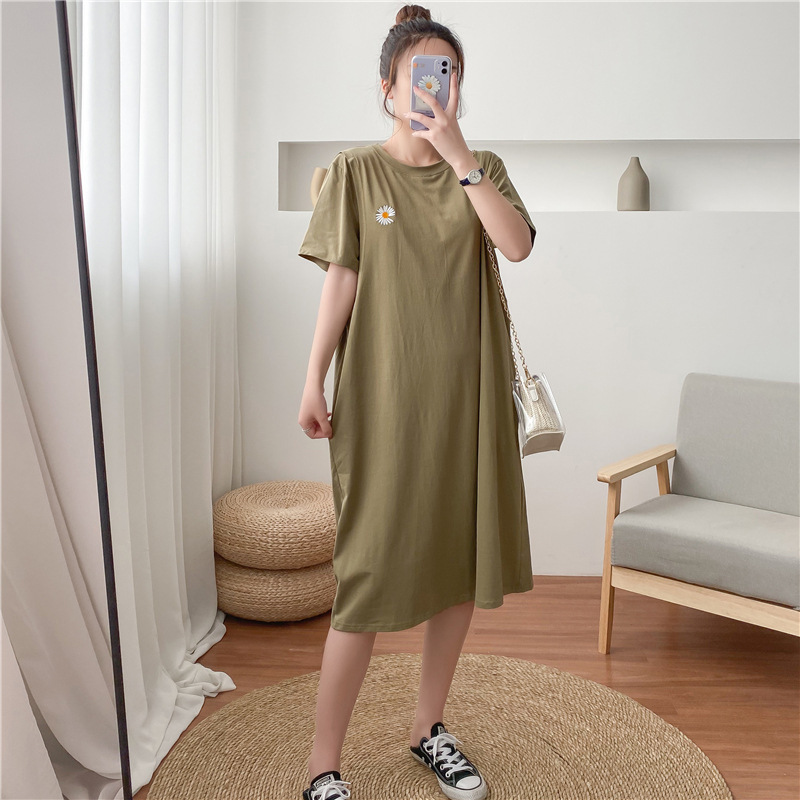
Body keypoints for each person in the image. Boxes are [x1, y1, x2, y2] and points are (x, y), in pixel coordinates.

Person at [296, 5, 536, 799]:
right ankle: (321, 763)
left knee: (458, 570)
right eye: (421, 74)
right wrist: (312, 376)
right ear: (387, 87)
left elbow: (515, 245)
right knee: (366, 577)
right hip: (383, 404)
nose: (436, 87)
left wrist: (459, 155)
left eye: (449, 74)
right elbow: (342, 279)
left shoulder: (482, 167)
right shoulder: (356, 173)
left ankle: (428, 726)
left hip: (467, 407)